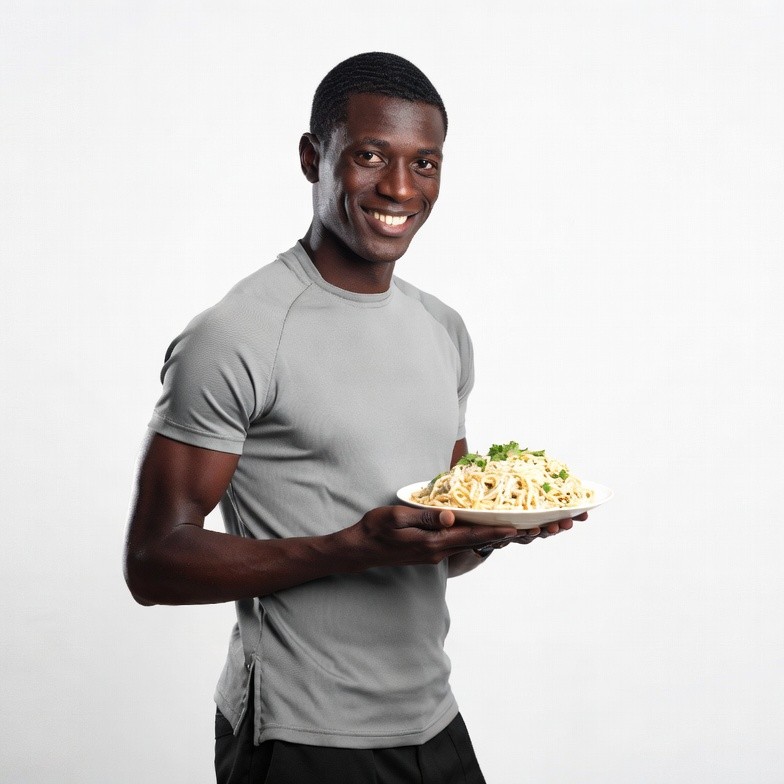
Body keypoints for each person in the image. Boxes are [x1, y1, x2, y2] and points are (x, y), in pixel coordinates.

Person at [124, 51, 584, 784]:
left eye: (425, 163)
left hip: (432, 719)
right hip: (302, 735)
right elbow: (151, 564)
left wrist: (497, 531)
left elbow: (441, 547)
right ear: (315, 157)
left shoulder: (444, 328)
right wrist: (350, 547)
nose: (400, 188)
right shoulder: (237, 334)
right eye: (370, 156)